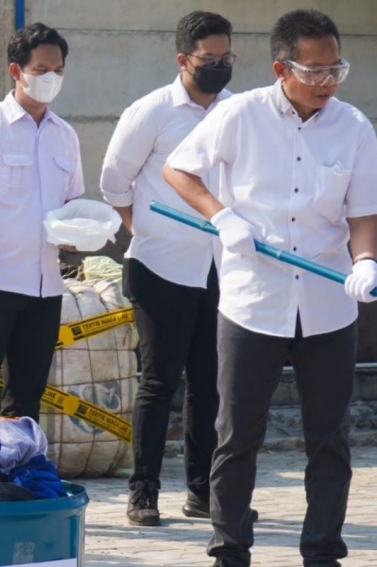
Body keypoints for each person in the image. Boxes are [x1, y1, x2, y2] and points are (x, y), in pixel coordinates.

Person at [163, 9, 377, 567]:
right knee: (236, 437)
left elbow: (362, 212)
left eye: (337, 69)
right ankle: (229, 550)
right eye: (316, 71)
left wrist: (367, 260)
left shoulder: (353, 126)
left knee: (329, 439)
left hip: (330, 303)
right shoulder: (240, 115)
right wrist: (222, 216)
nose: (328, 81)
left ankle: (323, 553)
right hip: (252, 301)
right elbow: (180, 171)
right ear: (283, 67)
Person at [100, 11, 235, 527]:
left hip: (221, 267)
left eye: (227, 59)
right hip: (161, 266)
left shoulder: (237, 111)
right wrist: (144, 229)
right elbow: (115, 181)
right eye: (209, 60)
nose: (219, 67)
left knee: (211, 382)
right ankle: (144, 492)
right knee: (159, 384)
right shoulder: (152, 111)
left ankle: (203, 491)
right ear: (183, 60)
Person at [0, 22, 84, 422]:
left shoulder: (65, 136)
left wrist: (75, 235)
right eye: (41, 70)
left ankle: (12, 476)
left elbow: (71, 204)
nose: (51, 79)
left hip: (44, 288)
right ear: (16, 71)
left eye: (58, 71)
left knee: (25, 397)